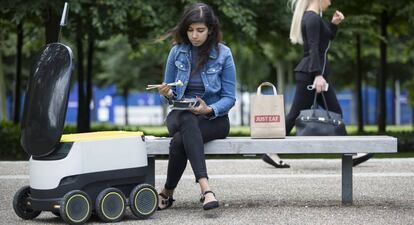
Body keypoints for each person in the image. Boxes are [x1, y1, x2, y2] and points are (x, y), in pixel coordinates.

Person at [262, 0, 372, 168]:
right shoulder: (312, 18)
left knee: (335, 111)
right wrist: (318, 75)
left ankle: (350, 153)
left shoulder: (314, 18)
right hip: (311, 76)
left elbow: (323, 43)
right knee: (294, 115)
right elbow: (313, 48)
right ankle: (270, 151)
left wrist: (334, 25)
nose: (330, 1)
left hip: (314, 75)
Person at [156, 2, 236, 211]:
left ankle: (167, 192)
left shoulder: (224, 54)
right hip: (180, 114)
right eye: (190, 30)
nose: (194, 35)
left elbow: (229, 98)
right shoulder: (176, 52)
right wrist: (167, 94)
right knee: (186, 118)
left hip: (213, 119)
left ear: (210, 30)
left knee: (180, 141)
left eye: (200, 30)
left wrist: (208, 109)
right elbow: (171, 97)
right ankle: (206, 189)